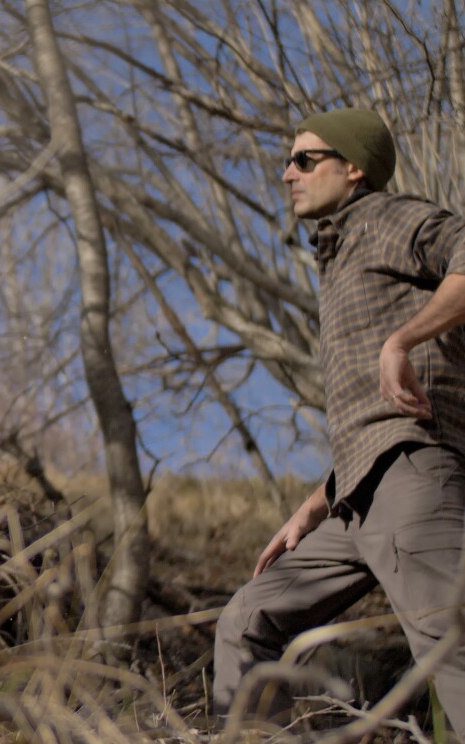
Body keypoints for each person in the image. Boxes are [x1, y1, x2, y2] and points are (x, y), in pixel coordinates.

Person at [214, 108, 465, 732]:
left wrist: (402, 341)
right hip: (359, 496)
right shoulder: (344, 252)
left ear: (353, 168)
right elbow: (372, 417)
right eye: (288, 160)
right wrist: (316, 503)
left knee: (451, 651)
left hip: (413, 477)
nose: (287, 173)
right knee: (246, 620)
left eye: (304, 160)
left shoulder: (387, 218)